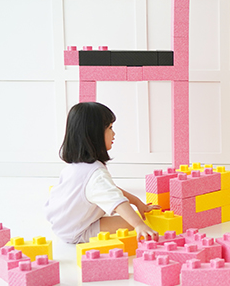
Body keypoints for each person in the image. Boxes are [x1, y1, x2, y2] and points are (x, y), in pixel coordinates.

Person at [45, 102, 158, 244]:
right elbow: (116, 200)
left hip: (63, 225)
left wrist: (137, 202)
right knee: (135, 222)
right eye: (110, 128)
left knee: (131, 217)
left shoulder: (76, 167)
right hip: (77, 231)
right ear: (94, 135)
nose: (114, 134)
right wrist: (139, 224)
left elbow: (111, 190)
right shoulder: (95, 172)